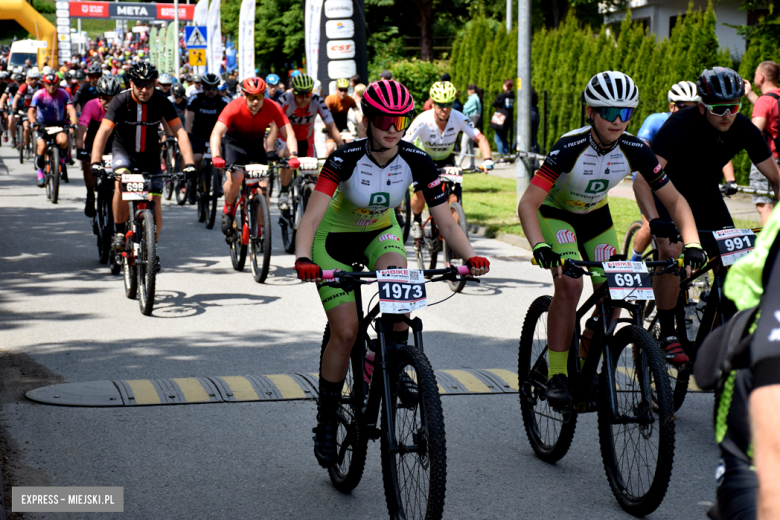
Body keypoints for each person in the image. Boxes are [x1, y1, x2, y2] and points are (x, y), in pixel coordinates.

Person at [292, 79, 490, 468]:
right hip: (333, 242)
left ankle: (393, 364)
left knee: (399, 304)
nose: (392, 128)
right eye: (383, 120)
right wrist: (302, 258)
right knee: (347, 331)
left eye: (398, 121)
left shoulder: (416, 159)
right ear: (367, 122)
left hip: (381, 235)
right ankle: (328, 420)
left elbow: (446, 223)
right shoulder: (344, 159)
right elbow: (312, 217)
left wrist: (472, 256)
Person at [518, 71, 705, 410]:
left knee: (617, 288)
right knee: (571, 284)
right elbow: (528, 202)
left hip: (595, 218)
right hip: (556, 213)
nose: (619, 121)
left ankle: (586, 353)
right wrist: (539, 246)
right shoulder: (569, 146)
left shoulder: (635, 149)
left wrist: (691, 242)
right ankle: (558, 374)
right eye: (609, 112)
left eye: (627, 113)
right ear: (590, 111)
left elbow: (675, 200)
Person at [634, 67, 780, 365]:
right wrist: (654, 220)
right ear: (701, 106)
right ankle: (669, 334)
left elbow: (776, 178)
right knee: (671, 250)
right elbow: (642, 178)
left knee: (735, 257)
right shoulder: (679, 124)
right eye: (718, 108)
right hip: (669, 195)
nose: (727, 115)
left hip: (705, 197)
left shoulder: (741, 126)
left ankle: (718, 326)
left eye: (734, 107)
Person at [90, 62, 196, 258]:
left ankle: (151, 248)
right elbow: (104, 131)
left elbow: (179, 132)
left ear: (155, 83)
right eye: (139, 84)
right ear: (131, 82)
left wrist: (189, 164)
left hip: (150, 156)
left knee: (155, 199)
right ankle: (120, 231)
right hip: (124, 152)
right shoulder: (120, 101)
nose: (144, 89)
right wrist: (95, 161)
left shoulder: (162, 102)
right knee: (121, 183)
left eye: (148, 84)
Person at [628, 81, 709, 262]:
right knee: (650, 225)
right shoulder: (656, 120)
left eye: (695, 107)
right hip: (649, 179)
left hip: (676, 183)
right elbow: (642, 150)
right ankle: (634, 261)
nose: (690, 112)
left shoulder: (700, 126)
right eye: (683, 107)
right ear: (672, 106)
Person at [403, 81, 494, 240]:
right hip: (425, 160)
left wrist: (487, 159)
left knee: (453, 198)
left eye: (448, 104)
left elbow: (480, 138)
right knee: (420, 195)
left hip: (447, 160)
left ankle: (452, 239)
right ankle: (416, 220)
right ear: (432, 102)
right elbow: (404, 143)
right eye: (440, 104)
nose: (444, 109)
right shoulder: (423, 119)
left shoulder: (458, 118)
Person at [209, 77, 296, 237]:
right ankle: (228, 210)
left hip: (256, 147)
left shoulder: (272, 107)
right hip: (234, 145)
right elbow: (217, 132)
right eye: (251, 97)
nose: (255, 101)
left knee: (263, 187)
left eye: (259, 97)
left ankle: (262, 230)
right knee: (236, 177)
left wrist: (293, 155)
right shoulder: (234, 106)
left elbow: (288, 132)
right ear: (243, 94)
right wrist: (216, 155)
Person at [275, 73, 343, 210]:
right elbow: (274, 124)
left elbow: (331, 125)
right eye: (300, 95)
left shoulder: (317, 100)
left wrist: (341, 146)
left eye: (307, 94)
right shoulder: (284, 100)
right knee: (289, 156)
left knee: (313, 174)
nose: (304, 99)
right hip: (284, 138)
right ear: (293, 91)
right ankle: (283, 192)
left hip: (306, 140)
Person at [76, 75, 121, 217]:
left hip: (115, 141)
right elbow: (82, 128)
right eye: (105, 99)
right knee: (89, 162)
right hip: (94, 139)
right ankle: (90, 193)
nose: (109, 102)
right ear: (99, 96)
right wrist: (80, 149)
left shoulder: (123, 107)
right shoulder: (91, 105)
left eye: (112, 98)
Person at [743, 60, 780, 224]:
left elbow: (754, 133)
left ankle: (770, 247)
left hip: (768, 159)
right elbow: (769, 109)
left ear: (761, 77)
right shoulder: (775, 98)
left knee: (764, 205)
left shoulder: (764, 101)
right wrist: (750, 94)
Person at [29, 73, 78, 187]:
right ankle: (40, 175)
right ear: (44, 84)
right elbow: (31, 110)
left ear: (58, 84)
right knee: (42, 147)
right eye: (49, 84)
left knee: (63, 141)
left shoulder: (63, 93)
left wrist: (73, 123)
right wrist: (33, 122)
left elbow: (71, 109)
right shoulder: (39, 94)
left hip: (59, 123)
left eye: (54, 84)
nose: (52, 87)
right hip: (43, 124)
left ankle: (61, 161)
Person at [185, 73, 228, 193]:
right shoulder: (196, 98)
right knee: (197, 159)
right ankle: (193, 185)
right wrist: (188, 132)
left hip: (217, 137)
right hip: (198, 135)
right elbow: (189, 116)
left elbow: (231, 117)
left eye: (214, 88)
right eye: (208, 87)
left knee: (219, 160)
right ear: (203, 87)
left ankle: (218, 183)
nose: (211, 90)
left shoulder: (223, 100)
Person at [324, 78, 361, 155]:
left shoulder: (350, 100)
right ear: (336, 89)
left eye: (345, 90)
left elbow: (357, 113)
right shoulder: (330, 99)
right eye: (341, 90)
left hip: (343, 127)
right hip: (331, 127)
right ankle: (325, 164)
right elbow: (324, 115)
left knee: (349, 145)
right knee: (330, 147)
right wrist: (324, 126)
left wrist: (361, 122)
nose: (343, 93)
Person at [12, 69, 42, 154]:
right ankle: (27, 145)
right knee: (26, 127)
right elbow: (16, 98)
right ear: (28, 78)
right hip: (27, 109)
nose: (34, 81)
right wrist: (14, 108)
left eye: (36, 79)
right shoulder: (24, 86)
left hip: (38, 108)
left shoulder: (41, 86)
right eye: (32, 78)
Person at [458, 84, 482, 169]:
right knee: (469, 145)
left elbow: (464, 109)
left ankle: (458, 163)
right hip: (472, 124)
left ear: (472, 90)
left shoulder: (473, 99)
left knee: (463, 144)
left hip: (469, 124)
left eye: (468, 90)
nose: (468, 92)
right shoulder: (477, 99)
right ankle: (472, 164)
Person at [491, 79, 514, 161]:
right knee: (504, 139)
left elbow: (495, 103)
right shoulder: (512, 95)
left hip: (500, 119)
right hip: (508, 118)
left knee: (497, 139)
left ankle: (502, 158)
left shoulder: (503, 95)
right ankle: (506, 157)